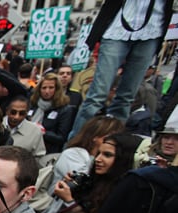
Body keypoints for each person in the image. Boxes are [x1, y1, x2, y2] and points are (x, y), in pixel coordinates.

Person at [69, 0, 174, 138]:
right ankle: (76, 143)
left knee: (126, 97)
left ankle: (111, 145)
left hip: (152, 29)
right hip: (117, 28)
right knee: (97, 95)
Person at [53, 132, 139, 213]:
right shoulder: (97, 182)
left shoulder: (122, 194)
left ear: (123, 159)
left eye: (107, 155)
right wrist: (76, 188)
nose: (98, 159)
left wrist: (70, 202)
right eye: (98, 153)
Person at [28, 73, 75, 154]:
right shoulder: (32, 104)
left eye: (51, 88)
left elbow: (61, 138)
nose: (47, 91)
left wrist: (43, 132)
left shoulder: (65, 109)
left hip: (48, 151)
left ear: (57, 89)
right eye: (44, 88)